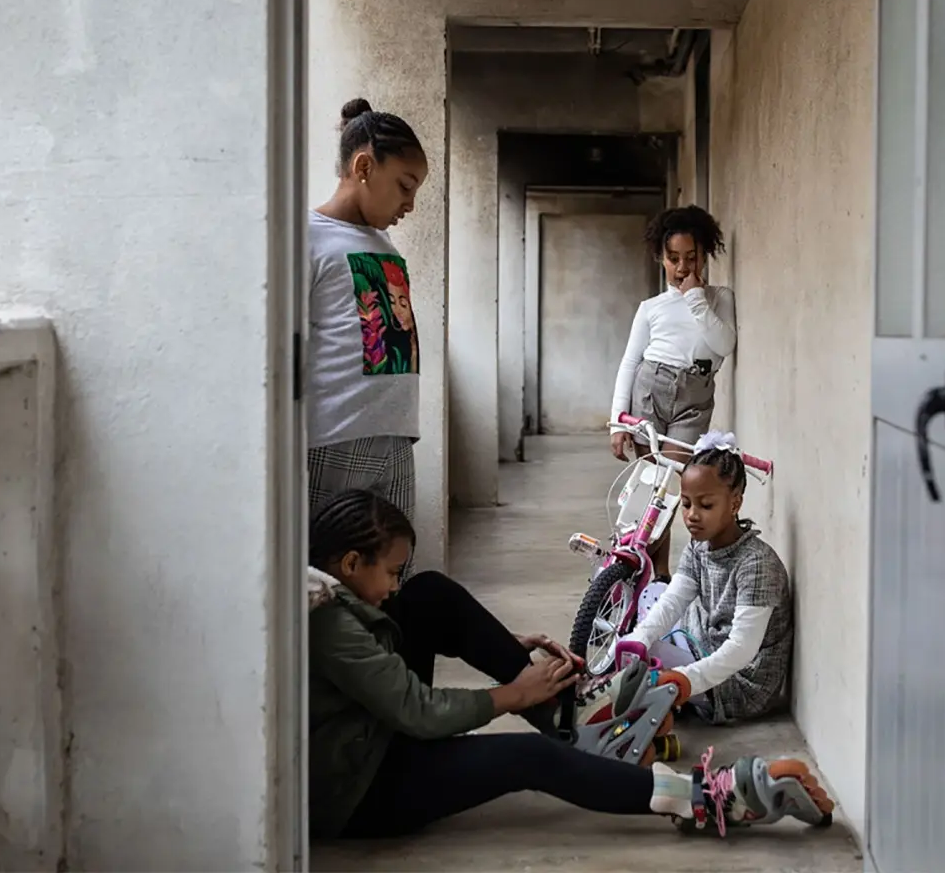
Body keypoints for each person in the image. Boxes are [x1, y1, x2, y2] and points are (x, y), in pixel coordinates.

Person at [307, 488, 831, 840]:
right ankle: (703, 800)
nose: (393, 585)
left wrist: (500, 643)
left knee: (427, 596)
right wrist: (515, 693)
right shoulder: (330, 623)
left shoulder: (337, 595)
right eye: (391, 571)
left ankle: (573, 725)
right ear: (351, 564)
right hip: (361, 787)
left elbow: (384, 641)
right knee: (532, 759)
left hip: (367, 734)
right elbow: (417, 712)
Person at [307, 99, 428, 561]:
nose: (410, 204)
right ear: (363, 167)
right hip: (333, 439)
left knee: (395, 572)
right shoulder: (308, 237)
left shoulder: (383, 242)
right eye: (404, 186)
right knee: (331, 572)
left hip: (396, 437)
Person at [628, 433, 793, 725]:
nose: (692, 516)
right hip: (701, 643)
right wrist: (639, 639)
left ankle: (672, 693)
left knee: (639, 659)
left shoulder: (756, 564)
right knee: (647, 611)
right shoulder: (699, 545)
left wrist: (685, 678)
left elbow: (741, 650)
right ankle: (663, 683)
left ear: (734, 503)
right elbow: (674, 599)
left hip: (735, 684)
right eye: (687, 504)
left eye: (705, 506)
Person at [609, 205, 737, 577]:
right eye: (673, 258)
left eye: (691, 258)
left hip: (693, 401)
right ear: (660, 258)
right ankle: (655, 573)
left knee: (668, 487)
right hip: (650, 389)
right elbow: (630, 363)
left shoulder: (719, 298)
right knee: (650, 488)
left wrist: (696, 297)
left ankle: (649, 569)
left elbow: (723, 344)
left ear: (704, 256)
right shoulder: (651, 308)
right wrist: (617, 422)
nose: (682, 268)